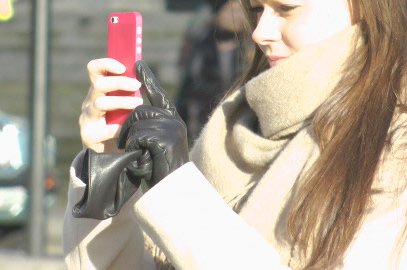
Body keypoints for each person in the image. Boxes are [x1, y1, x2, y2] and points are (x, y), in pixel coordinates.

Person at [63, 0, 407, 269]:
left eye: (286, 8)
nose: (259, 31)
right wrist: (107, 170)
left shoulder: (396, 141)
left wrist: (179, 193)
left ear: (364, 7)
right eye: (257, 9)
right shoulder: (231, 125)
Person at [176, 0, 253, 143]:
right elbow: (188, 85)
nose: (238, 16)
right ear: (217, 14)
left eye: (241, 11)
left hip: (240, 125)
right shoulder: (200, 43)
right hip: (202, 124)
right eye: (232, 11)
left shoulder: (252, 45)